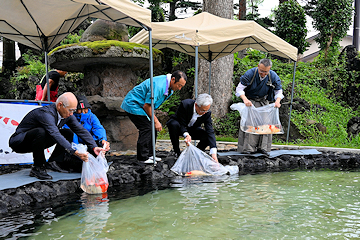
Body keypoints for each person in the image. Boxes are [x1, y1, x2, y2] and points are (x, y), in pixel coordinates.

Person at [9, 92, 104, 180]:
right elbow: (55, 133)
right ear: (60, 105)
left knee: (67, 133)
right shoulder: (46, 114)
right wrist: (73, 151)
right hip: (20, 143)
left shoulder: (67, 115)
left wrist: (94, 147)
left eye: (73, 111)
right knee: (40, 131)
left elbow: (81, 130)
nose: (71, 114)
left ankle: (53, 162)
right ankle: (38, 168)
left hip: (40, 141)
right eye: (70, 110)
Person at [121, 70, 187, 163]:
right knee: (147, 128)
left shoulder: (169, 88)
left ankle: (150, 154)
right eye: (179, 85)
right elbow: (147, 105)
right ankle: (142, 157)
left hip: (142, 105)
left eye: (181, 86)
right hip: (133, 104)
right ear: (173, 79)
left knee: (153, 128)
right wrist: (156, 121)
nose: (179, 88)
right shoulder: (159, 86)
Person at [235, 58, 284, 156]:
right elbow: (239, 88)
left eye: (266, 72)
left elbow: (278, 91)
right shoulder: (250, 74)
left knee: (266, 125)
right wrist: (245, 99)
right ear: (258, 66)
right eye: (261, 71)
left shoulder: (272, 76)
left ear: (269, 69)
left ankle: (264, 148)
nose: (263, 74)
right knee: (251, 124)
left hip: (264, 102)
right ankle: (248, 148)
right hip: (250, 102)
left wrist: (277, 101)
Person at [60, 95, 110, 172]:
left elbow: (98, 128)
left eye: (85, 109)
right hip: (75, 147)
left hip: (88, 144)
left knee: (99, 147)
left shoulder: (91, 116)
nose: (83, 112)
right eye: (80, 110)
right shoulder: (69, 117)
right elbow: (72, 134)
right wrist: (77, 150)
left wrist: (102, 140)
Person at [166, 93, 218, 162]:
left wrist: (213, 152)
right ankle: (176, 152)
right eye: (202, 110)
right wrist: (186, 135)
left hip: (193, 129)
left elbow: (210, 130)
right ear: (196, 105)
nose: (204, 113)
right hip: (179, 126)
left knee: (207, 136)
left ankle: (196, 153)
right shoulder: (185, 105)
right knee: (173, 124)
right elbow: (181, 123)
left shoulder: (207, 113)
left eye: (206, 110)